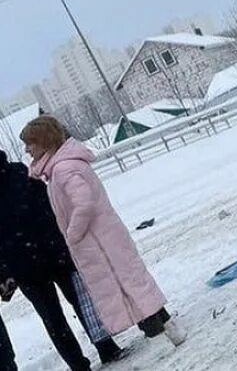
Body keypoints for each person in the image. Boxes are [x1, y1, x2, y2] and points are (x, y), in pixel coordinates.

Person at [20, 117, 184, 349]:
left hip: (100, 244)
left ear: (45, 142)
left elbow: (84, 204)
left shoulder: (63, 169)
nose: (27, 149)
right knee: (131, 285)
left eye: (31, 143)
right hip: (102, 241)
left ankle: (161, 333)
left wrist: (73, 235)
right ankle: (163, 329)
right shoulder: (58, 168)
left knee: (128, 286)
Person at [0, 151, 127, 370]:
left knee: (54, 318)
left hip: (25, 264)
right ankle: (105, 347)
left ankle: (79, 363)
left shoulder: (21, 173)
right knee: (81, 303)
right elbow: (48, 206)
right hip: (51, 251)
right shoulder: (20, 173)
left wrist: (4, 271)